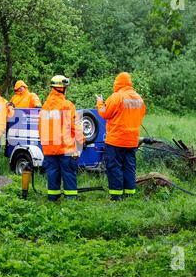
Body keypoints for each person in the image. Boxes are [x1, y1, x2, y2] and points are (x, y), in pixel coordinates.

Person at [95, 72, 146, 201]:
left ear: (117, 83)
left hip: (116, 140)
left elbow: (104, 113)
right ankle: (129, 194)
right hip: (132, 141)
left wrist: (100, 103)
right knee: (129, 166)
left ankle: (116, 196)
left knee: (114, 166)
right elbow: (141, 115)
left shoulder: (116, 97)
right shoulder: (139, 99)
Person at [39, 75, 85, 202]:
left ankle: (53, 200)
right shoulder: (67, 105)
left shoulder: (45, 107)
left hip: (49, 149)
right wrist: (82, 141)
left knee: (53, 175)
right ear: (63, 88)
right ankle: (71, 202)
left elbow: (40, 128)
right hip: (66, 149)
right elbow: (75, 126)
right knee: (69, 175)